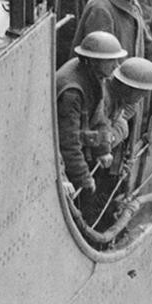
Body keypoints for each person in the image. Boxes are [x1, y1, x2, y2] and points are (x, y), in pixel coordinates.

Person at [52, 30, 130, 225]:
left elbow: (100, 116)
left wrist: (103, 149)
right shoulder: (72, 91)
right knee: (84, 203)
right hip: (60, 154)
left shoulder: (94, 75)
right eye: (111, 60)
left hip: (79, 140)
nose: (116, 65)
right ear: (94, 60)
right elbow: (68, 143)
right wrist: (84, 179)